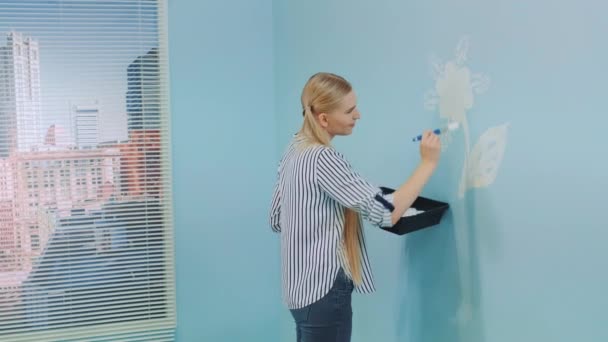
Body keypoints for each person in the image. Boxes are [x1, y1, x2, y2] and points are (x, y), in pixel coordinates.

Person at [269, 72, 441, 342]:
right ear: (323, 118)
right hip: (323, 291)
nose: (358, 115)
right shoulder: (323, 158)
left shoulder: (294, 149)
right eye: (349, 110)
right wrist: (428, 163)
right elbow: (386, 211)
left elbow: (277, 218)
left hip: (298, 291)